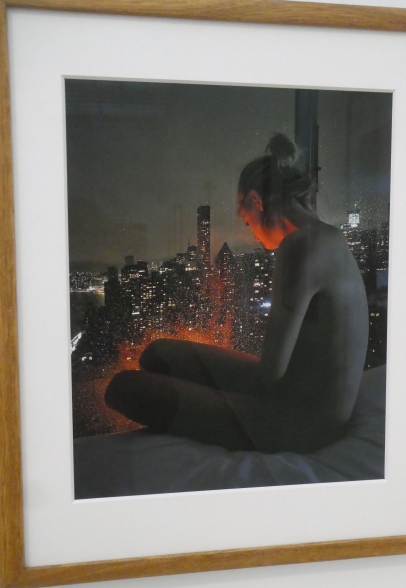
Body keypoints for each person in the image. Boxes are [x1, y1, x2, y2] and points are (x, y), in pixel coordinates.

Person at [105, 134, 369, 454]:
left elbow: (269, 373)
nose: (253, 234)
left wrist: (208, 393)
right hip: (305, 402)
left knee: (124, 387)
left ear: (257, 202)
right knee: (157, 353)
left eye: (247, 222)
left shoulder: (299, 247)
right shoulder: (331, 237)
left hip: (298, 425)